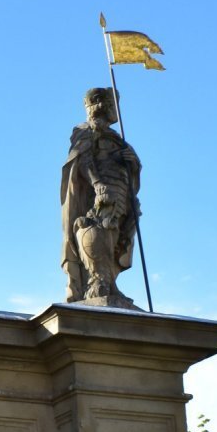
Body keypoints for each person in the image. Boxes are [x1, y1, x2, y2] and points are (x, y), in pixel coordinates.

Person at [60, 87, 142, 305]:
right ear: (101, 105)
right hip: (100, 193)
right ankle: (97, 283)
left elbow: (131, 170)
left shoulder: (116, 138)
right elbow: (82, 160)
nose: (116, 110)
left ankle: (110, 283)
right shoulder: (86, 130)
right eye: (113, 104)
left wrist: (133, 163)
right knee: (97, 228)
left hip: (122, 194)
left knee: (116, 234)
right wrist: (97, 184)